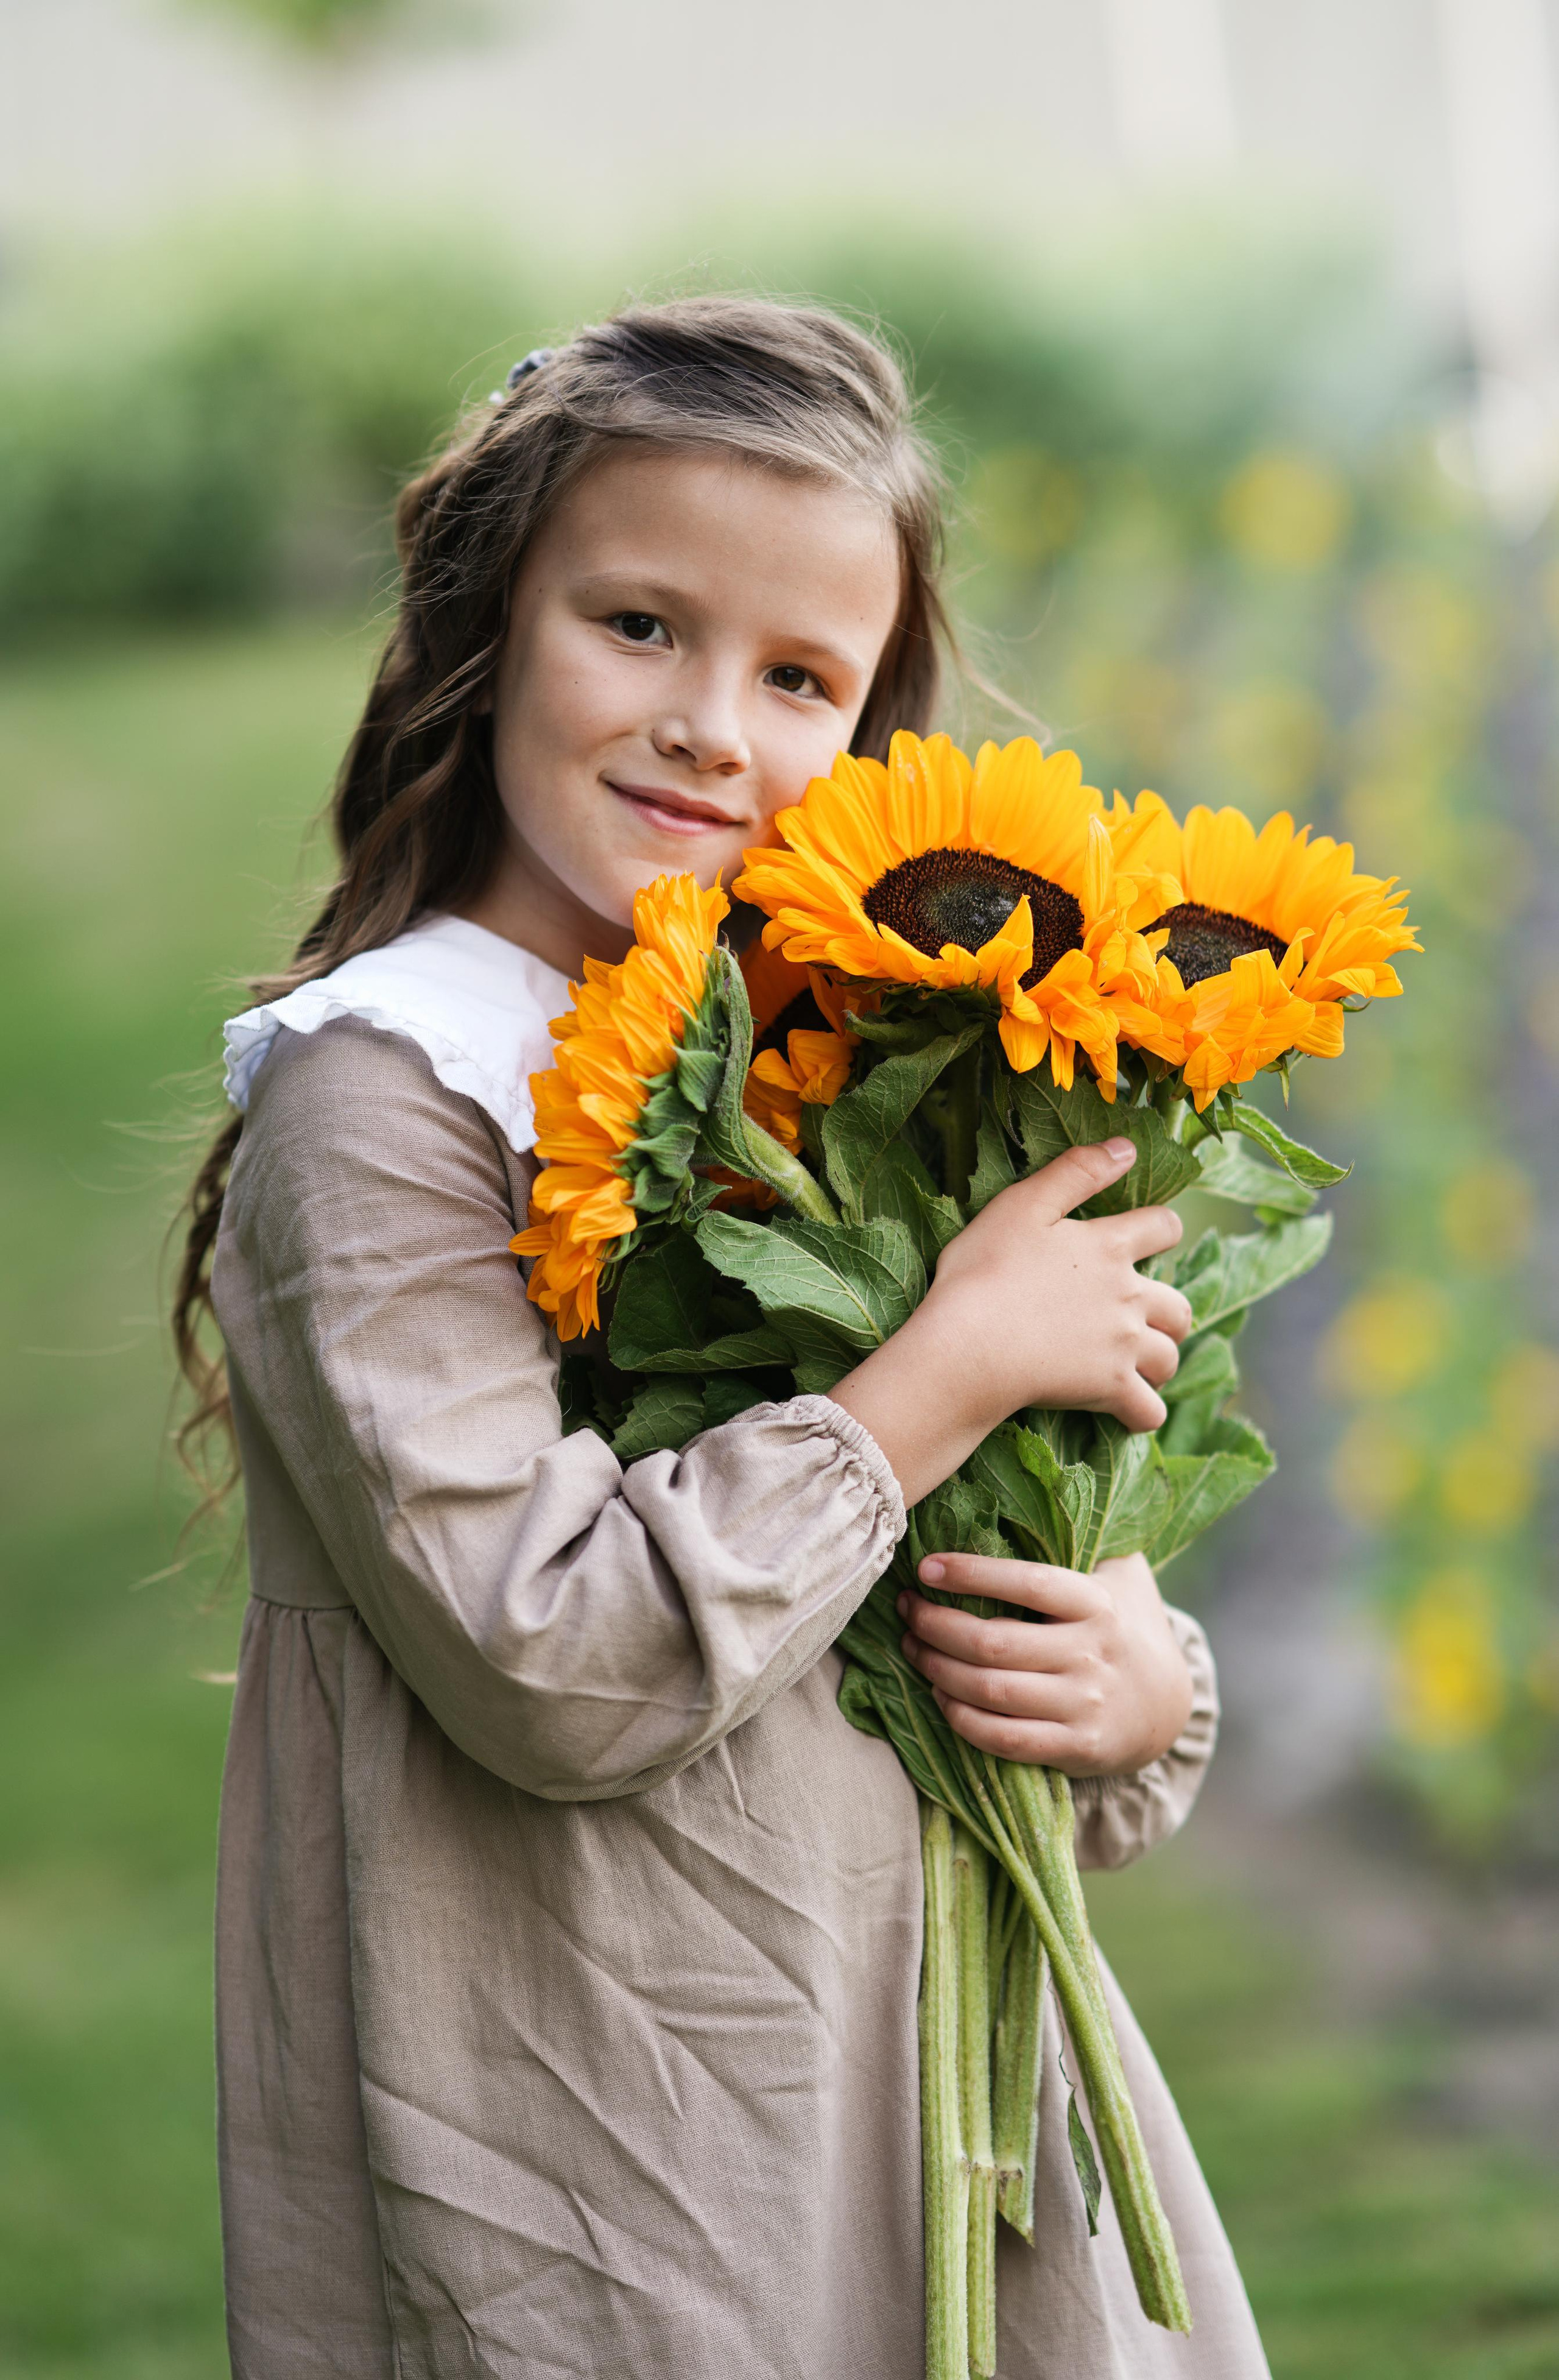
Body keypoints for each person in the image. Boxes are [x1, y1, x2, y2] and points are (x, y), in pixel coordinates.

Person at [175, 296, 1270, 2379]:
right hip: (613, 2155)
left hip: (943, 2104)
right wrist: (943, 1364)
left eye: (797, 679)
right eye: (640, 626)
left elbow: (953, 1616)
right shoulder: (389, 1101)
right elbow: (555, 1661)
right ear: (491, 621)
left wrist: (1134, 1691)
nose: (709, 726)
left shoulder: (848, 1061)